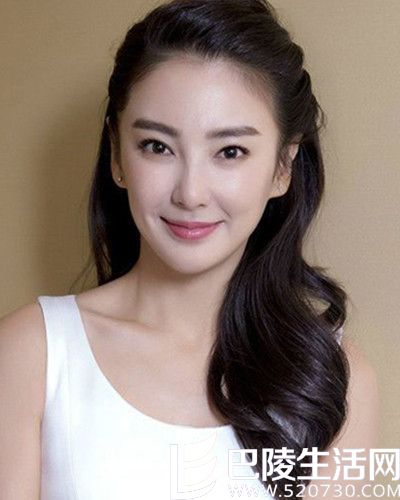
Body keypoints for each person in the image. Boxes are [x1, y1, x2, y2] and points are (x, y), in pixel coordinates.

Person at [0, 0, 379, 498]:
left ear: (282, 168)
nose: (191, 193)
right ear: (117, 154)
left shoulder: (334, 378)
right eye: (157, 146)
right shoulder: (31, 353)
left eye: (230, 151)